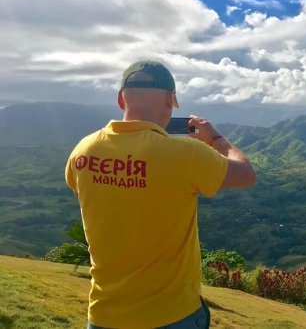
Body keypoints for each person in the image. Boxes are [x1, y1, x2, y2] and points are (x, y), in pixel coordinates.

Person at [64, 60, 257, 329]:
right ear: (170, 99)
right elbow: (246, 174)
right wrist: (215, 139)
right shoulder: (185, 154)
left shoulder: (83, 150)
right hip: (171, 315)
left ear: (121, 100)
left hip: (103, 316)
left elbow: (87, 198)